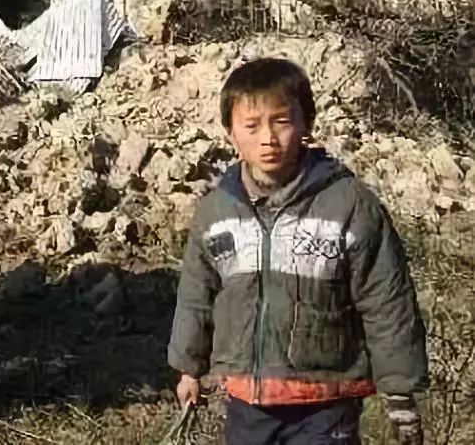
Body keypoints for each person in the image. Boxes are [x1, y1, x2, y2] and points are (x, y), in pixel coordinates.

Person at [167, 57, 429, 444]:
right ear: (230, 133)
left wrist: (400, 392)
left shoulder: (348, 204)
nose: (268, 138)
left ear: (306, 124)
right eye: (251, 126)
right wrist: (188, 368)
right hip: (248, 403)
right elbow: (196, 294)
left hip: (326, 401)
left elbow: (386, 300)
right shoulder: (216, 211)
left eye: (282, 121)